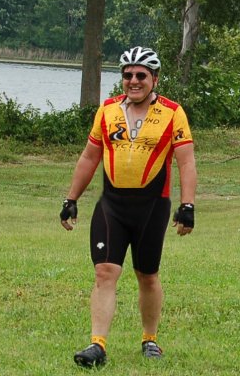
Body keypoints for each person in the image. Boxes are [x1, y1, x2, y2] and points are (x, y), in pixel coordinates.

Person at [59, 46, 197, 368]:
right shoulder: (106, 111)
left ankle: (150, 339)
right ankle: (97, 345)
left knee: (146, 275)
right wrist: (71, 199)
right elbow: (89, 157)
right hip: (112, 206)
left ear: (154, 79)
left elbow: (186, 161)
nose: (133, 81)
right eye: (127, 75)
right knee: (105, 271)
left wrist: (187, 205)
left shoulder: (172, 112)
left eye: (140, 76)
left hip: (153, 206)